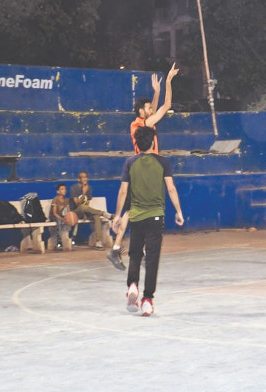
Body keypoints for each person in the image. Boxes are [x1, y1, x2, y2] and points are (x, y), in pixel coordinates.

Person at [107, 64, 179, 270]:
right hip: (146, 168)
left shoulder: (141, 122)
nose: (151, 110)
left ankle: (117, 248)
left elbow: (155, 109)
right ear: (141, 111)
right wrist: (168, 83)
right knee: (147, 209)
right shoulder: (143, 125)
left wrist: (156, 93)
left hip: (141, 168)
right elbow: (166, 106)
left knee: (134, 209)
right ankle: (135, 251)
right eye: (148, 108)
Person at [112, 126, 184, 316]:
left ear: (136, 143)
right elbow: (171, 188)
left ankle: (133, 285)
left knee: (135, 255)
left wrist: (118, 215)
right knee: (152, 259)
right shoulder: (163, 163)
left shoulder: (130, 163)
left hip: (135, 216)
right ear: (153, 142)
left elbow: (123, 191)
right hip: (156, 216)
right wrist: (178, 211)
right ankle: (147, 300)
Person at [69, 171, 113, 249]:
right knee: (82, 207)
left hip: (85, 211)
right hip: (75, 212)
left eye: (86, 177)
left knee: (96, 216)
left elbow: (87, 204)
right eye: (83, 177)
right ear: (79, 179)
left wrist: (86, 214)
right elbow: (78, 204)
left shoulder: (89, 188)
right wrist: (83, 193)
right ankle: (103, 213)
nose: (85, 179)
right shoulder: (74, 188)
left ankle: (98, 242)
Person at [50, 182, 71, 250]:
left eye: (65, 189)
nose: (64, 190)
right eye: (62, 189)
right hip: (54, 217)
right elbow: (54, 213)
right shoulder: (55, 200)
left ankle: (71, 237)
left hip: (62, 216)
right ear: (58, 191)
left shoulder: (66, 200)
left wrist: (69, 217)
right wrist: (62, 219)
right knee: (59, 221)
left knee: (71, 220)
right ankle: (59, 241)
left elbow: (68, 211)